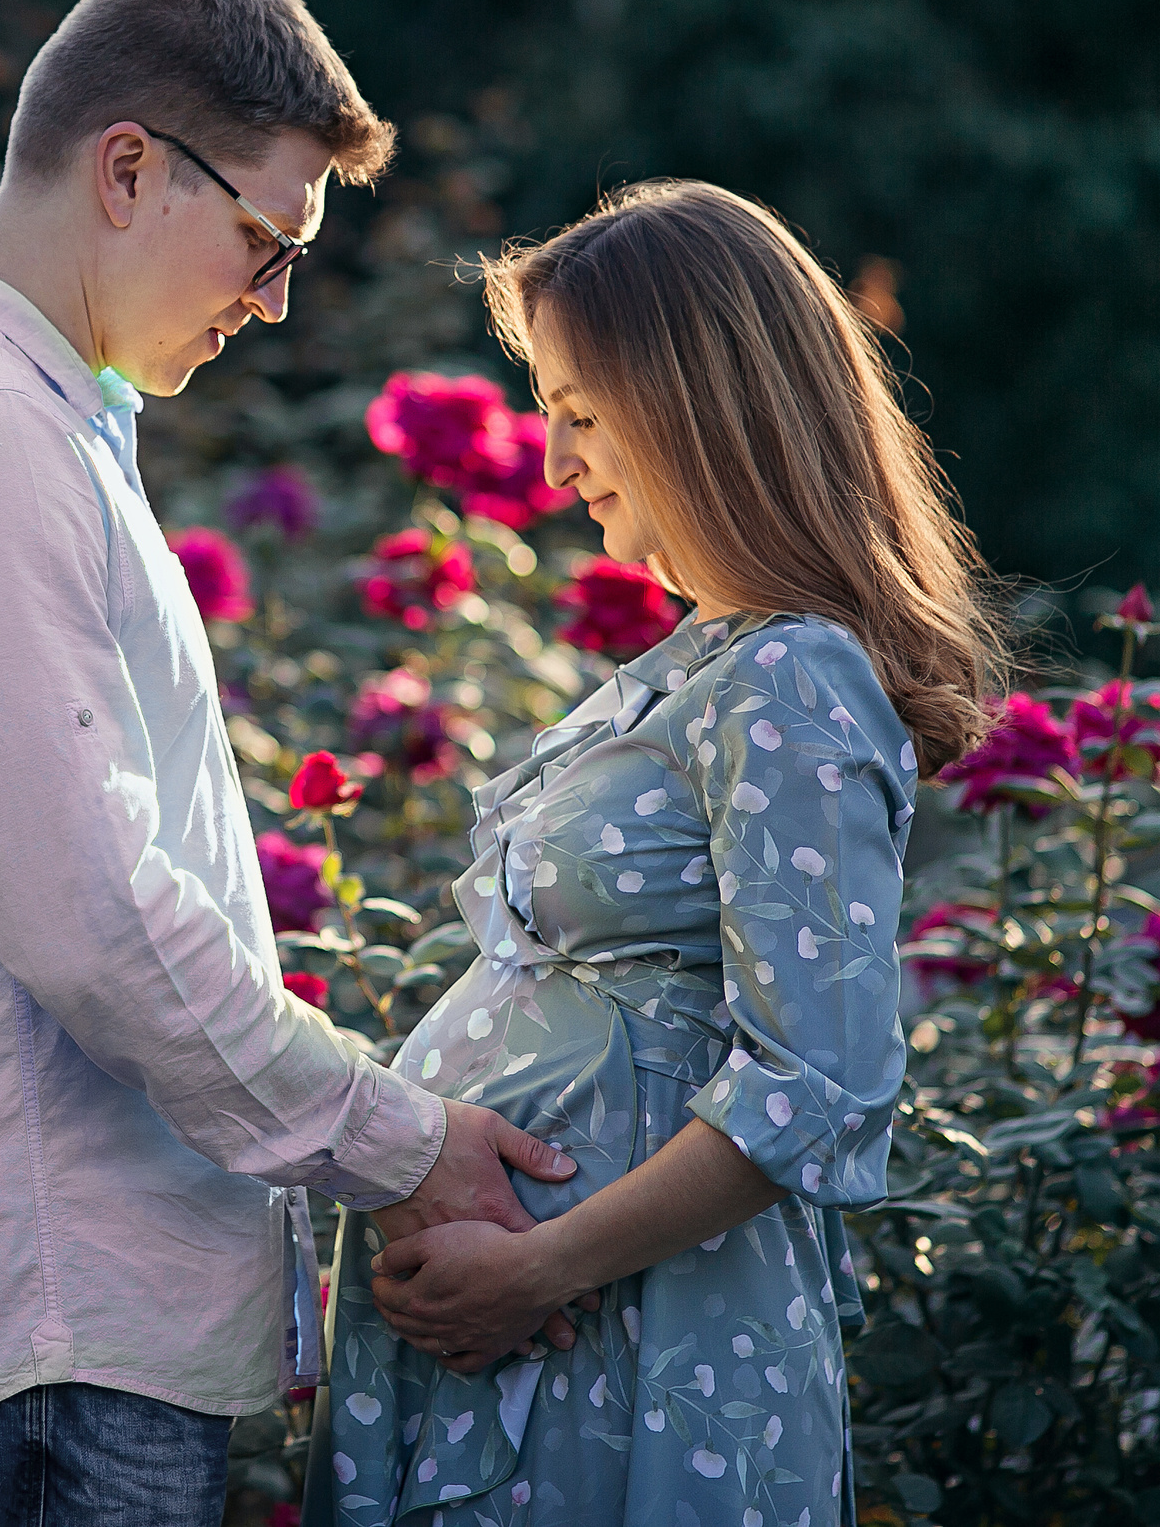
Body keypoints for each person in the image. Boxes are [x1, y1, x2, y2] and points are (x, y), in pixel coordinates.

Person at [0, 0, 583, 1525]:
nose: (273, 304)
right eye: (266, 243)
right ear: (129, 169)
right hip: (40, 1336)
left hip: (56, 1327)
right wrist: (389, 1138)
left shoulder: (34, 422)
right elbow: (93, 917)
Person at [308, 180, 1008, 1527]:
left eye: (579, 414)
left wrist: (540, 1268)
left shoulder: (793, 677)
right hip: (565, 1339)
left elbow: (818, 1083)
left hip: (637, 1346)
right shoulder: (698, 667)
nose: (558, 462)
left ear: (699, 404)